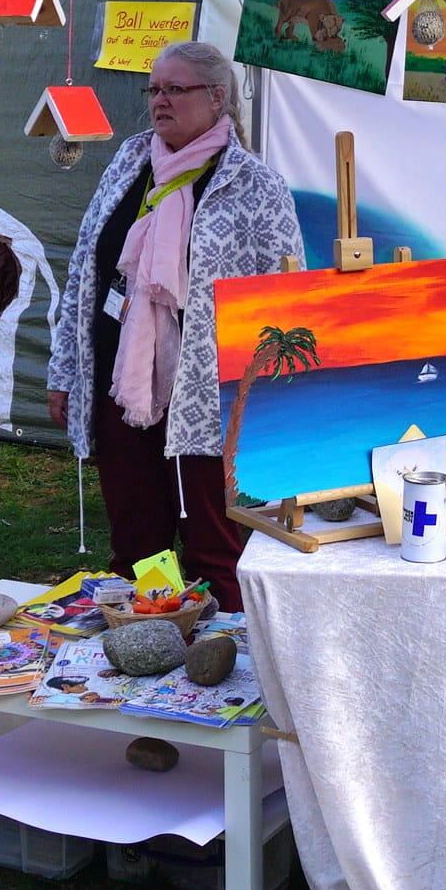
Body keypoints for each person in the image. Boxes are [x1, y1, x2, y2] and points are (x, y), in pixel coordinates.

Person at [47, 40, 301, 609]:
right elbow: (85, 268)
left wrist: (268, 401)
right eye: (153, 89)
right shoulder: (130, 161)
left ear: (217, 98)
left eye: (174, 89)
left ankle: (230, 666)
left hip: (207, 400)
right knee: (138, 543)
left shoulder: (256, 186)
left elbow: (283, 300)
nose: (159, 101)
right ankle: (147, 646)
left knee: (214, 547)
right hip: (123, 382)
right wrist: (64, 372)